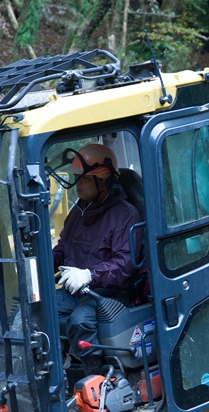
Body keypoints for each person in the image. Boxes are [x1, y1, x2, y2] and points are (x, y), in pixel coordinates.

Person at [52, 144, 142, 376]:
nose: (77, 183)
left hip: (112, 292)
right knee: (39, 307)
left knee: (80, 320)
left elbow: (125, 265)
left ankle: (94, 379)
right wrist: (39, 261)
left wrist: (89, 275)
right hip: (80, 291)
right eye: (77, 176)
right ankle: (55, 369)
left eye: (84, 177)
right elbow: (63, 249)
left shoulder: (125, 214)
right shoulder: (80, 211)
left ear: (104, 181)